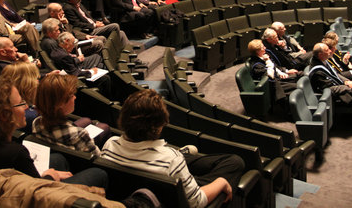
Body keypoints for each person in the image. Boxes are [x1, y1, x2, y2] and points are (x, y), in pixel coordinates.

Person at [102, 89, 245, 208]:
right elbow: (197, 202)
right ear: (158, 125)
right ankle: (190, 179)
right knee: (235, 162)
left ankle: (187, 175)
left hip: (151, 176)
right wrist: (221, 182)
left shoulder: (110, 144)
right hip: (168, 187)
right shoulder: (171, 159)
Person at [0, 76, 110, 187]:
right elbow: (36, 193)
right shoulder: (15, 154)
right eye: (20, 104)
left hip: (5, 187)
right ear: (5, 115)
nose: (26, 108)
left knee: (58, 159)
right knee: (98, 174)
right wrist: (49, 176)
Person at [33, 74, 107, 153]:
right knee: (104, 127)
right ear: (60, 104)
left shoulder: (36, 122)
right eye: (72, 95)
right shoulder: (80, 134)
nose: (75, 97)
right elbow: (97, 158)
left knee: (87, 120)